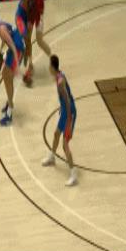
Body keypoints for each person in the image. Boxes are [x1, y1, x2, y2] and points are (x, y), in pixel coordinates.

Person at [42, 55, 78, 186]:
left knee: (65, 144)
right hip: (65, 110)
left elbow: (67, 100)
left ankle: (73, 175)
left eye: (49, 66)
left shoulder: (60, 82)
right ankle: (52, 157)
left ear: (52, 67)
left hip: (69, 112)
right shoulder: (59, 76)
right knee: (56, 134)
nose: (48, 68)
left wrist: (68, 119)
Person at [0, 10, 25, 126]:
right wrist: (1, 58)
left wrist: (17, 65)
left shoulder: (2, 30)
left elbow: (13, 46)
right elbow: (5, 42)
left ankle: (9, 113)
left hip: (17, 49)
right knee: (6, 77)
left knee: (7, 77)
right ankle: (9, 103)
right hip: (14, 48)